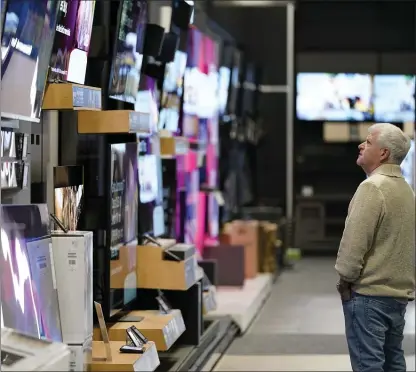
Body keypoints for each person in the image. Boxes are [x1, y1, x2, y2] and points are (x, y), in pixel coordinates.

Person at [335, 123, 415, 372]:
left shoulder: (372, 187)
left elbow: (354, 244)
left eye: (368, 142)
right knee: (393, 362)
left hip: (368, 297)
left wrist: (345, 280)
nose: (361, 145)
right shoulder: (406, 190)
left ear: (383, 153)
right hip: (398, 297)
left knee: (368, 366)